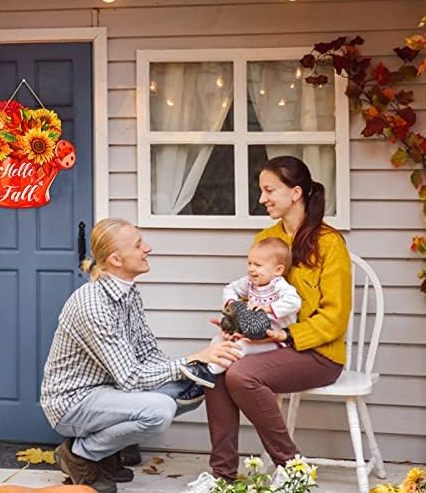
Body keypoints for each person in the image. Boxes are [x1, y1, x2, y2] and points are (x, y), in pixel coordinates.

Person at [183, 156, 352, 493]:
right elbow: (253, 292)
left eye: (269, 190)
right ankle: (222, 476)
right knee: (220, 365)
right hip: (268, 345)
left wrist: (285, 334)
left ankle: (292, 468)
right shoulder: (267, 237)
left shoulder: (330, 244)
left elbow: (335, 318)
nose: (262, 199)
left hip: (318, 353)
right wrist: (237, 323)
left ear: (296, 192)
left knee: (242, 375)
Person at [40, 218, 241, 493]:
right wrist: (194, 359)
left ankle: (106, 452)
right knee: (160, 410)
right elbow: (132, 377)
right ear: (116, 259)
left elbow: (148, 354)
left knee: (193, 386)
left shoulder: (130, 293)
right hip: (74, 401)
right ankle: (81, 454)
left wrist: (199, 366)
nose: (148, 248)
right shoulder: (93, 304)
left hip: (111, 390)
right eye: (138, 245)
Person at [180, 237, 301, 388]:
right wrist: (233, 304)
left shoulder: (279, 286)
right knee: (219, 339)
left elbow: (294, 302)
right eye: (249, 263)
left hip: (273, 340)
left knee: (241, 346)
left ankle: (210, 372)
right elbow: (230, 288)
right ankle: (203, 366)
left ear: (278, 270)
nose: (251, 269)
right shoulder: (249, 282)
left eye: (258, 265)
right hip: (250, 332)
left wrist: (269, 308)